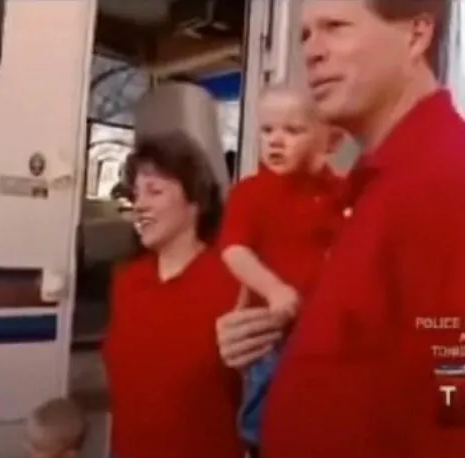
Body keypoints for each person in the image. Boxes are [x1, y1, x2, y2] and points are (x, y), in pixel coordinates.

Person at [216, 0, 465, 457]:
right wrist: (281, 334)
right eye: (305, 35)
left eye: (335, 26)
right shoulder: (369, 187)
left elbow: (453, 403)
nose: (311, 51)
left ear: (416, 34)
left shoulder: (445, 181)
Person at [102, 132, 246, 458]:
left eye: (155, 191)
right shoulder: (126, 282)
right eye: (136, 194)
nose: (140, 205)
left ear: (195, 201)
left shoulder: (234, 284)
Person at [219, 85, 344, 454]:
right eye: (267, 130)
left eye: (292, 130)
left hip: (325, 334)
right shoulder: (251, 192)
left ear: (330, 143)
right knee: (268, 406)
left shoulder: (341, 192)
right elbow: (234, 250)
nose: (275, 140)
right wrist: (273, 289)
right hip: (272, 333)